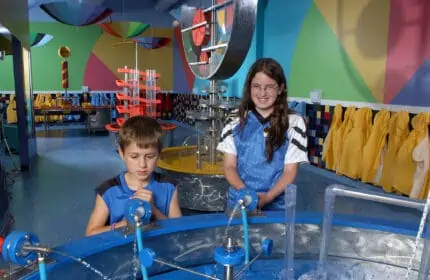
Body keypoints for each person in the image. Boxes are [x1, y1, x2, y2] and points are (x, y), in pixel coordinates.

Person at [217, 58, 308, 210]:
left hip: (276, 206)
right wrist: (246, 195)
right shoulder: (234, 120)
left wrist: (268, 198)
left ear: (280, 89)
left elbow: (290, 171)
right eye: (256, 86)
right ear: (249, 88)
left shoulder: (294, 123)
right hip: (239, 201)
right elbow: (229, 166)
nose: (262, 93)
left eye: (270, 87)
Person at [86, 116, 182, 236]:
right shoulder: (108, 191)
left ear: (159, 154)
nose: (142, 165)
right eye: (134, 157)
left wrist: (153, 210)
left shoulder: (169, 187)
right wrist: (126, 223)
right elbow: (90, 234)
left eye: (150, 156)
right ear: (122, 154)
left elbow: (179, 231)